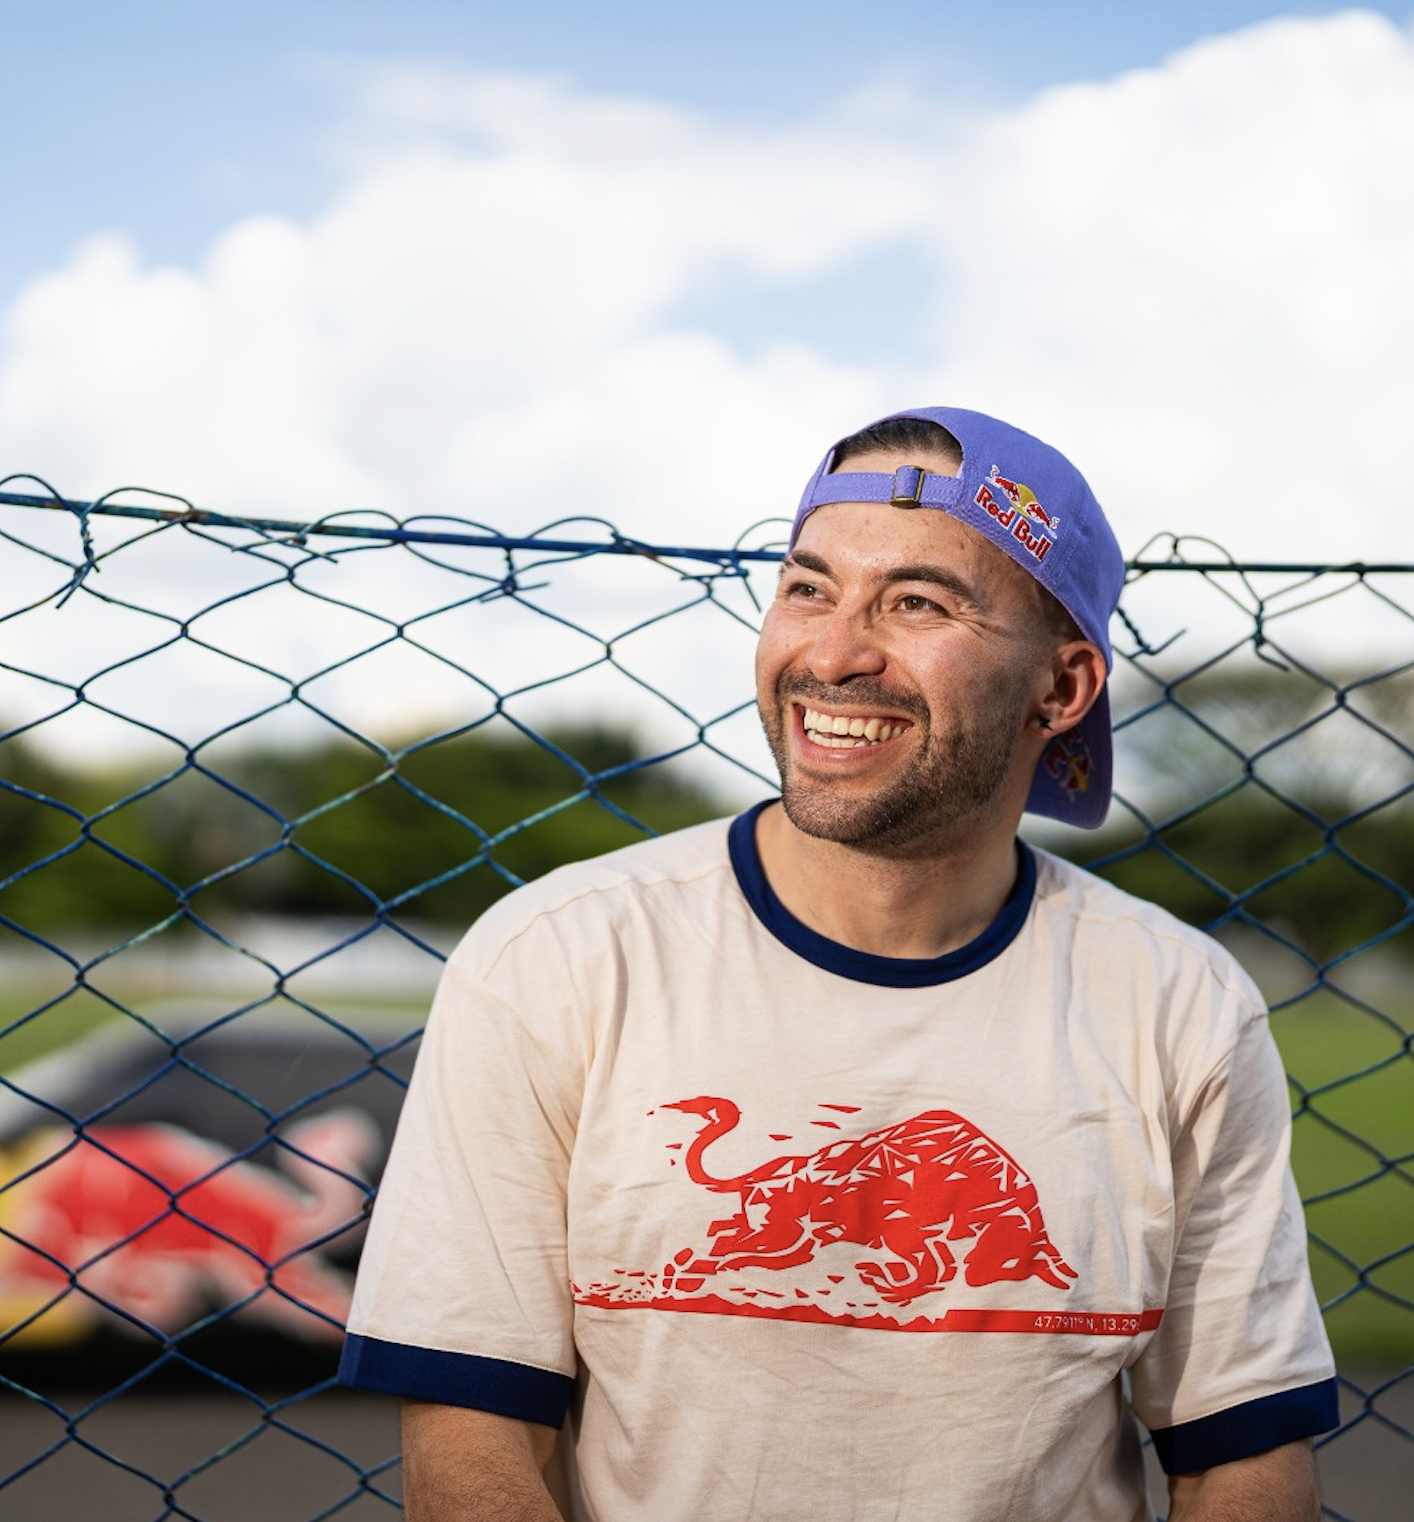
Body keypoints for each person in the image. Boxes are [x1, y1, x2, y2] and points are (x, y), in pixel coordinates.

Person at [339, 406, 1339, 1520]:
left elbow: (1242, 1452)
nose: (831, 654)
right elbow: (470, 1441)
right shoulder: (556, 958)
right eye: (808, 588)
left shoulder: (1181, 1004)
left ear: (1060, 690)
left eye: (918, 603)